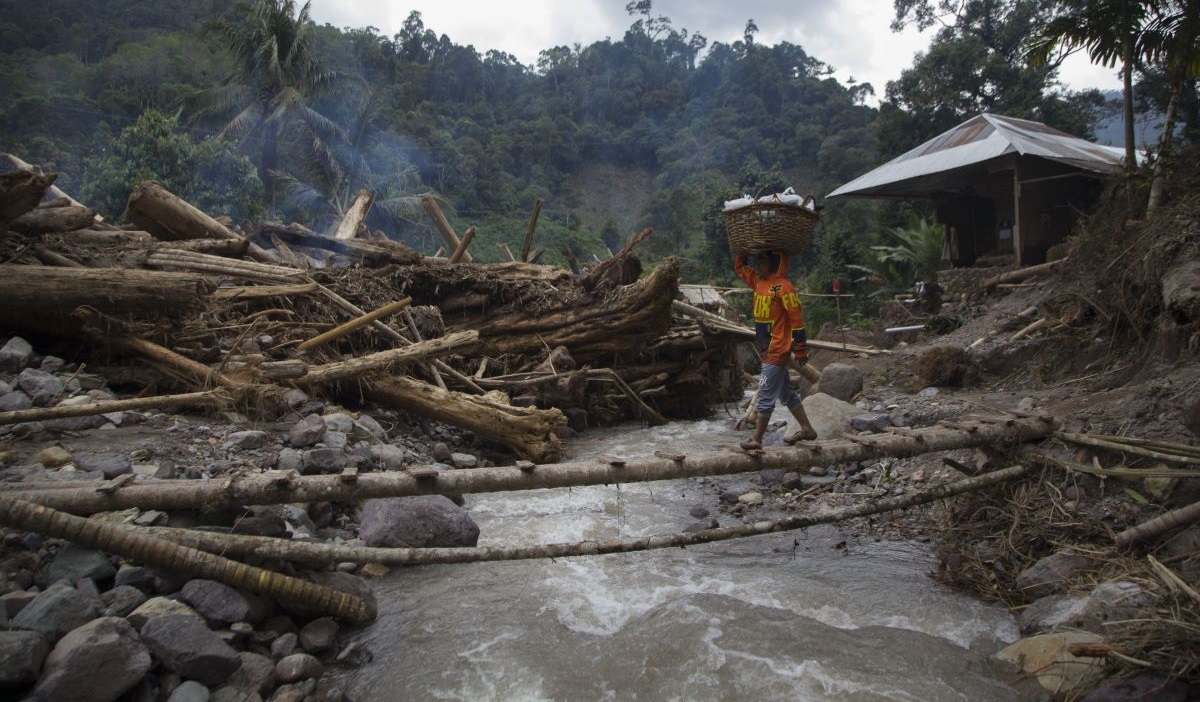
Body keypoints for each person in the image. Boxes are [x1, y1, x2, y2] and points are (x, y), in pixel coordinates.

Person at [734, 248, 818, 450]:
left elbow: (797, 322)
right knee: (786, 393)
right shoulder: (757, 282)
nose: (758, 266)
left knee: (763, 390)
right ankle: (807, 428)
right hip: (765, 350)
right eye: (757, 262)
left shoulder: (784, 288)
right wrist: (742, 251)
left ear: (773, 263)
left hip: (777, 350)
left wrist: (800, 349)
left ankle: (757, 439)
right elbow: (740, 268)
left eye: (762, 262)